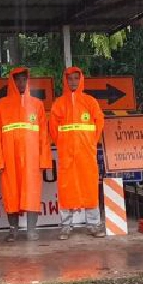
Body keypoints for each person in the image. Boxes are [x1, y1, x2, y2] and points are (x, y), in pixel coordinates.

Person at [0, 67, 50, 241]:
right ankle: (13, 230)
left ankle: (32, 230)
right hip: (9, 159)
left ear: (28, 80)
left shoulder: (37, 104)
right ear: (12, 81)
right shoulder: (1, 105)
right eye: (17, 79)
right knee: (11, 193)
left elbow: (44, 136)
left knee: (32, 193)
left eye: (24, 79)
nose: (21, 83)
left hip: (32, 160)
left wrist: (44, 160)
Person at [49, 67, 105, 240]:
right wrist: (62, 144)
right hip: (67, 154)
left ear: (81, 80)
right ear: (65, 81)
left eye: (75, 78)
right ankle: (66, 225)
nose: (73, 82)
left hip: (86, 154)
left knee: (89, 187)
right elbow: (53, 127)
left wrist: (90, 143)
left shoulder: (90, 101)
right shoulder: (59, 103)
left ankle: (93, 225)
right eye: (70, 79)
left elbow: (99, 122)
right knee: (66, 189)